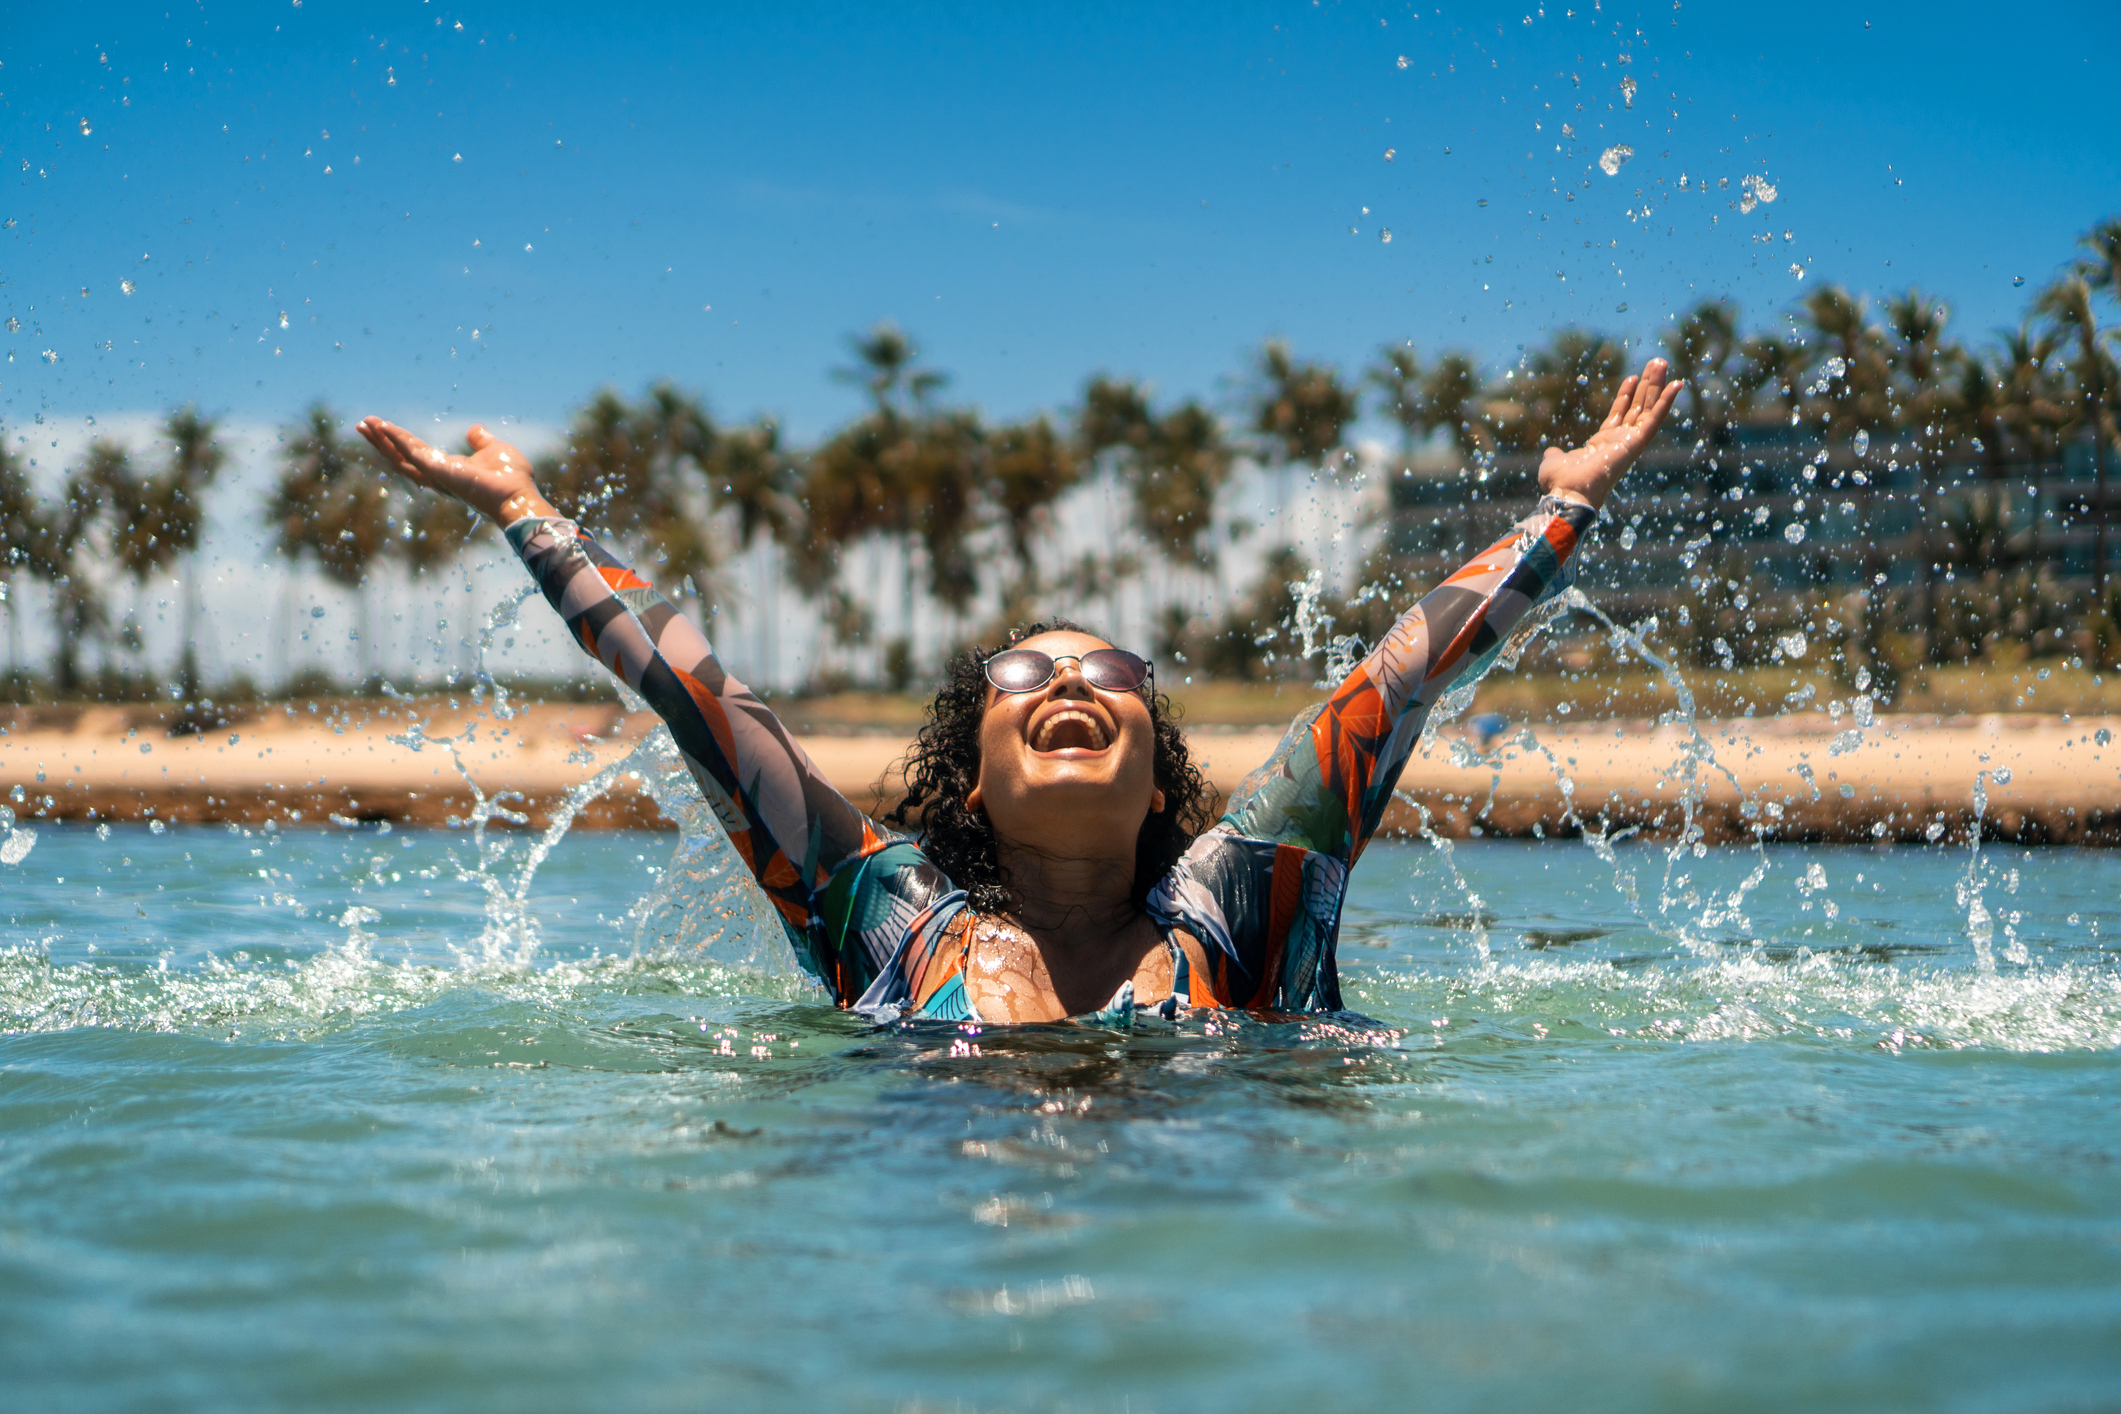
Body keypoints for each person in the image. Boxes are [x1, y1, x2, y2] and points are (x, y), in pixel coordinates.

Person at [358, 359, 1679, 1025]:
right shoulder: (886, 920)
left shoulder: (1244, 901)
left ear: (1158, 769)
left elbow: (1391, 681)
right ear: (974, 771)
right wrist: (529, 513)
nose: (1067, 682)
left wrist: (1564, 507)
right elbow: (702, 699)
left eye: (1106, 671)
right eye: (1025, 673)